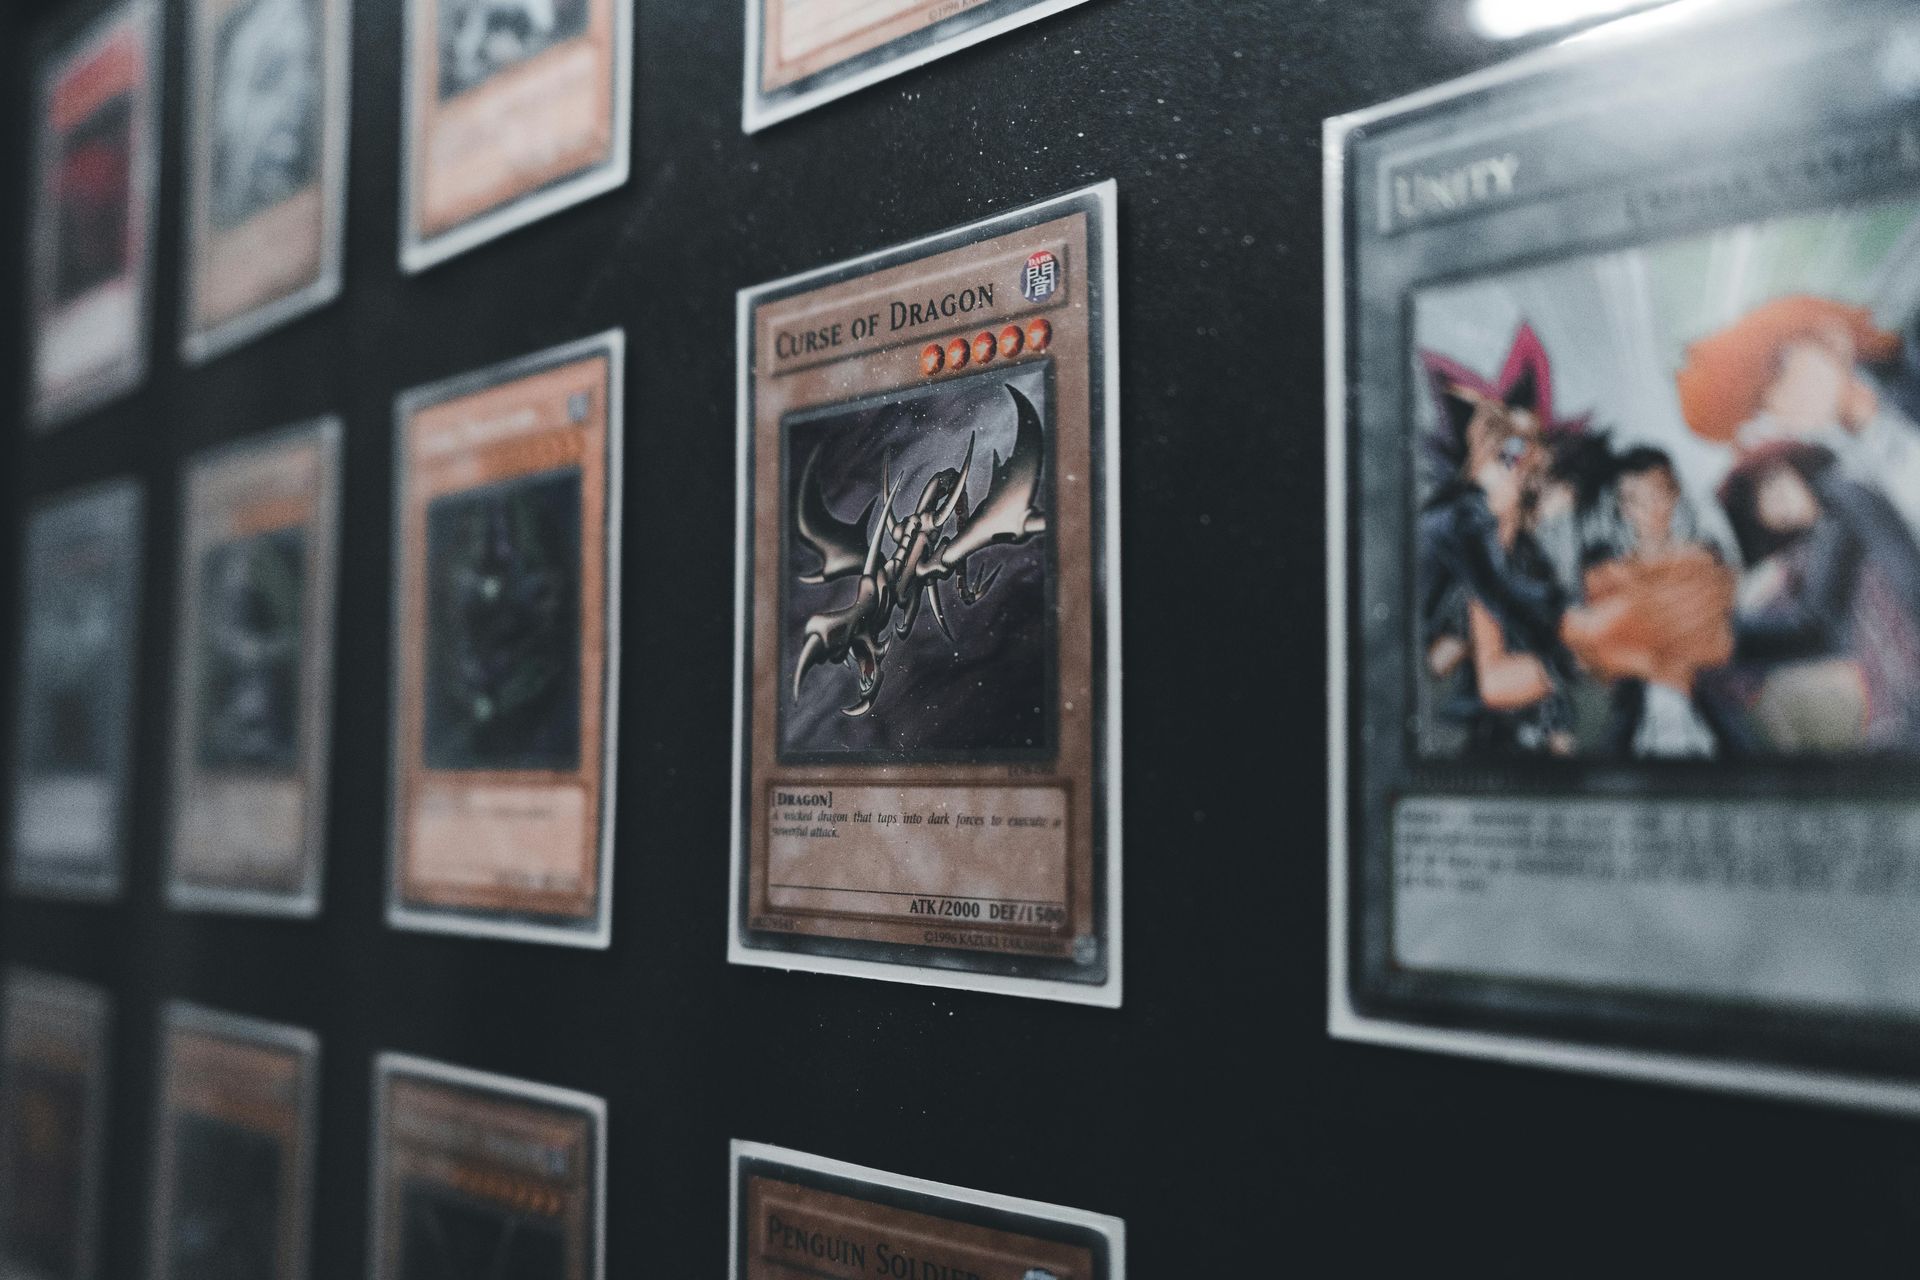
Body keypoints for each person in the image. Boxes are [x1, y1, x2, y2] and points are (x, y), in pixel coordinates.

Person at [1417, 325, 1587, 755]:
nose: (1523, 463)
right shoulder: (1458, 522)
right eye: (1510, 453)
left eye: (1531, 456)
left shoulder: (1527, 550)